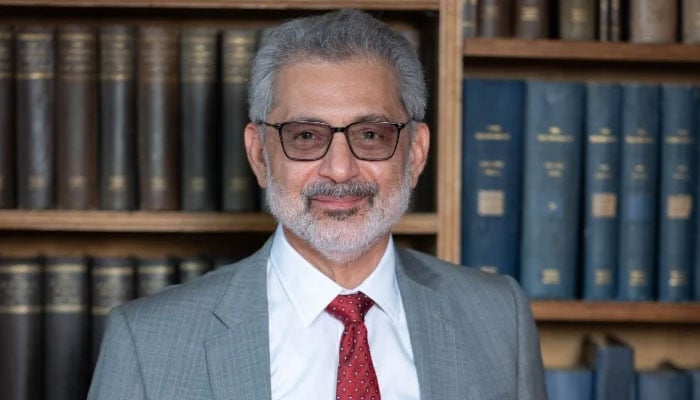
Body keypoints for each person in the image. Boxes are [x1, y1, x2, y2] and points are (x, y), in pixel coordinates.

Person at [89, 9, 547, 399]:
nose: (341, 170)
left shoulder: (499, 318)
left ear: (416, 153)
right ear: (259, 155)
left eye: (371, 135)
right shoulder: (149, 344)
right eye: (306, 136)